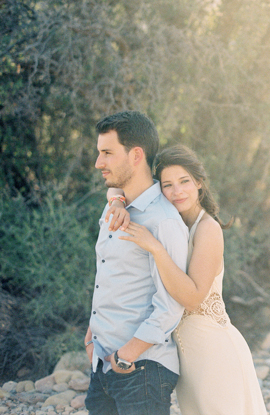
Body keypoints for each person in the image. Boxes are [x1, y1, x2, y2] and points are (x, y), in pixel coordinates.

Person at [108, 145, 268, 415]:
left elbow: (193, 297)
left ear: (198, 183)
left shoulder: (208, 229)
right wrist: (117, 202)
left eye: (184, 182)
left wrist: (156, 249)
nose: (177, 191)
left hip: (214, 351)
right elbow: (116, 185)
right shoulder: (173, 223)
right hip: (186, 357)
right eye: (168, 185)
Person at [85, 111, 189, 415]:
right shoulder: (114, 208)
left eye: (107, 153)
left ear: (136, 155)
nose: (98, 162)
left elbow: (171, 304)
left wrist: (127, 356)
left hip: (140, 370)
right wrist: (92, 336)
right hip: (103, 363)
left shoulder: (164, 221)